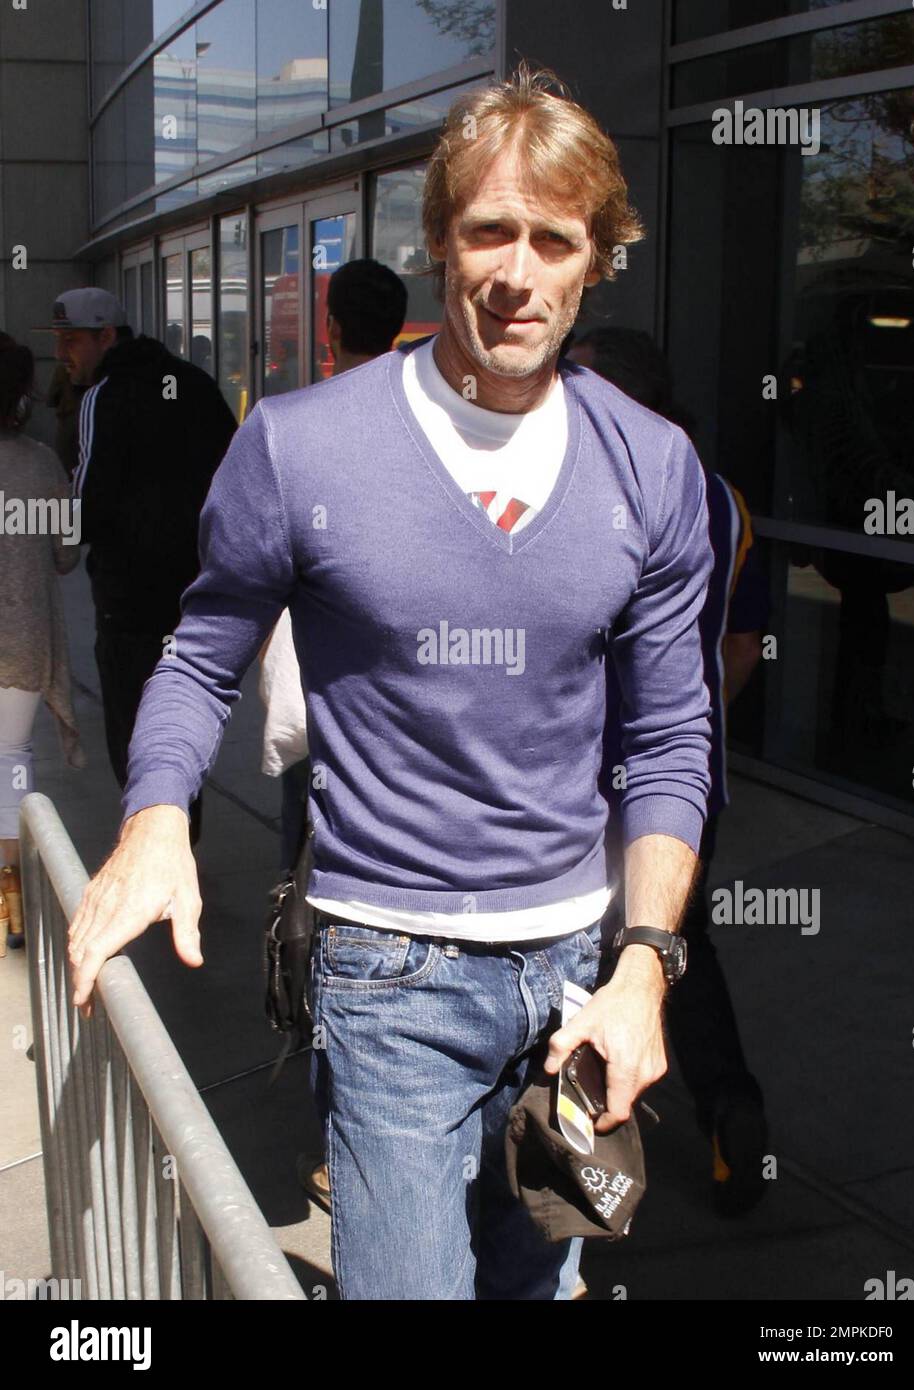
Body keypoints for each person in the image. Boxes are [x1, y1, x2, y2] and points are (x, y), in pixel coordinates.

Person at [69, 66, 714, 1301]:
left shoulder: (652, 467)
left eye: (554, 239)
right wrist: (155, 816)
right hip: (387, 976)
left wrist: (644, 967)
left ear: (597, 259)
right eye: (489, 230)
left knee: (535, 1289)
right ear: (436, 243)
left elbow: (671, 730)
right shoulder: (300, 445)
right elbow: (201, 651)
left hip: (574, 979)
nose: (516, 272)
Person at [571, 326, 770, 1215]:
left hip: (579, 776)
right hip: (687, 784)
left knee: (579, 953)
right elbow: (739, 644)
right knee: (673, 948)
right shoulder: (727, 502)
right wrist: (691, 727)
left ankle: (572, 1155)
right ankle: (731, 1112)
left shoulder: (585, 484)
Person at [256, 258, 408, 1214]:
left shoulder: (301, 433)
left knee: (313, 922)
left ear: (328, 325)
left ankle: (339, 1137)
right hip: (393, 734)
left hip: (316, 731)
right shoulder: (426, 431)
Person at [44, 288, 237, 845]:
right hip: (198, 600)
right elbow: (234, 476)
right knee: (184, 723)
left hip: (130, 607)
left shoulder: (103, 397)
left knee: (133, 734)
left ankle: (153, 845)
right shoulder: (194, 385)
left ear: (108, 336)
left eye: (72, 339)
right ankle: (181, 837)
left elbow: (85, 508)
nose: (62, 352)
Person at [0, 338, 85, 955]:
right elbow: (67, 554)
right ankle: (12, 899)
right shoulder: (43, 465)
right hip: (21, 645)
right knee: (11, 761)